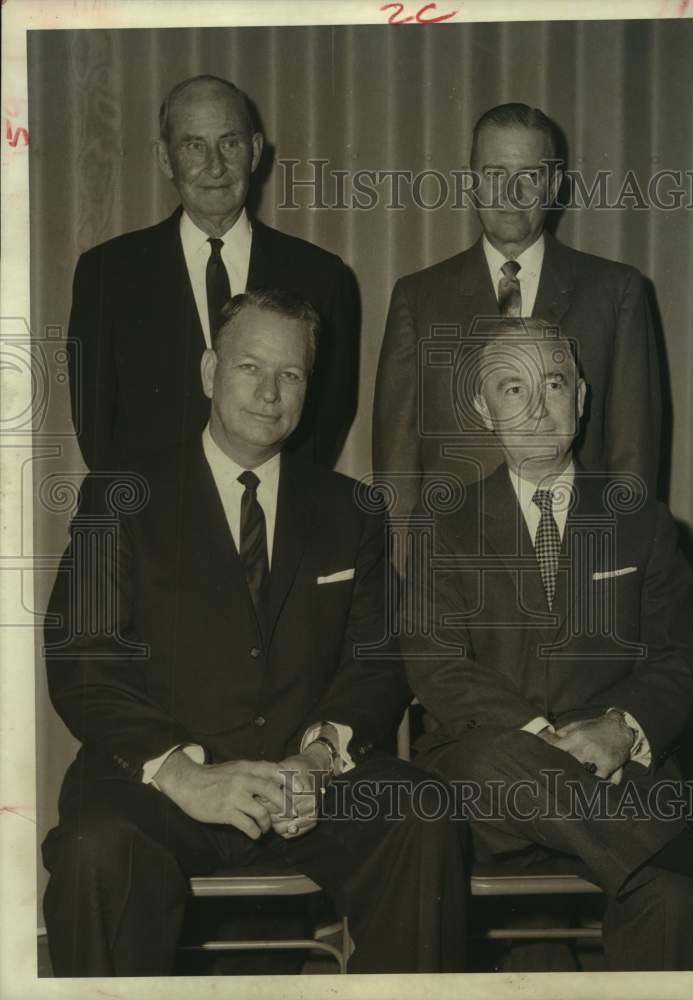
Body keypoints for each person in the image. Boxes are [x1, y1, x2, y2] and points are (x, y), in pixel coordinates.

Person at [43, 288, 467, 977]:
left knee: (421, 814)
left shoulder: (349, 509)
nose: (270, 392)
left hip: (303, 786)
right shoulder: (123, 496)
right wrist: (181, 772)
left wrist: (322, 755)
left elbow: (377, 659)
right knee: (97, 846)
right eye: (250, 368)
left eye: (291, 374)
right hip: (162, 787)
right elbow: (83, 662)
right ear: (211, 371)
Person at [401, 319, 693, 971]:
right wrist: (540, 740)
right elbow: (437, 665)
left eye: (552, 383)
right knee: (498, 757)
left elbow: (682, 658)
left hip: (619, 779)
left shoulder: (638, 520)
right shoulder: (443, 526)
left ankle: (683, 868)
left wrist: (619, 727)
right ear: (482, 409)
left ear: (580, 398)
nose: (535, 407)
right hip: (485, 794)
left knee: (672, 902)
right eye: (511, 388)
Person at [373, 103, 662, 519]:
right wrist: (407, 571)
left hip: (578, 552)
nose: (511, 195)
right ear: (472, 183)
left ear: (554, 185)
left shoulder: (616, 292)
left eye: (529, 176)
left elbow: (633, 458)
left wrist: (618, 568)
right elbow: (395, 468)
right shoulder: (418, 297)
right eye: (495, 176)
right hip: (454, 563)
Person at [68, 74, 358, 475]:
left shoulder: (321, 276)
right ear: (165, 158)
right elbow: (95, 424)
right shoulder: (107, 273)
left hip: (269, 519)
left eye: (230, 143)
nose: (215, 166)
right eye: (194, 146)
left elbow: (328, 418)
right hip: (145, 520)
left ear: (255, 152)